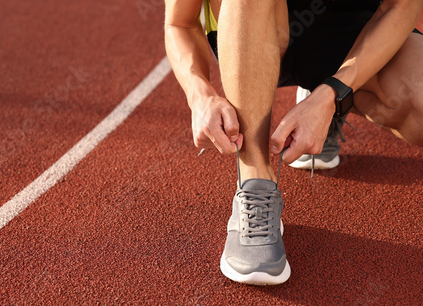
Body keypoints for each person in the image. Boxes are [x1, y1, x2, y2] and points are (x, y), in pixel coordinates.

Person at [164, 0, 423, 285]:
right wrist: (199, 93)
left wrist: (332, 95)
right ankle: (254, 185)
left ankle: (327, 104)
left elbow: (400, 7)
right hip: (254, 32)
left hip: (352, 36)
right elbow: (180, 22)